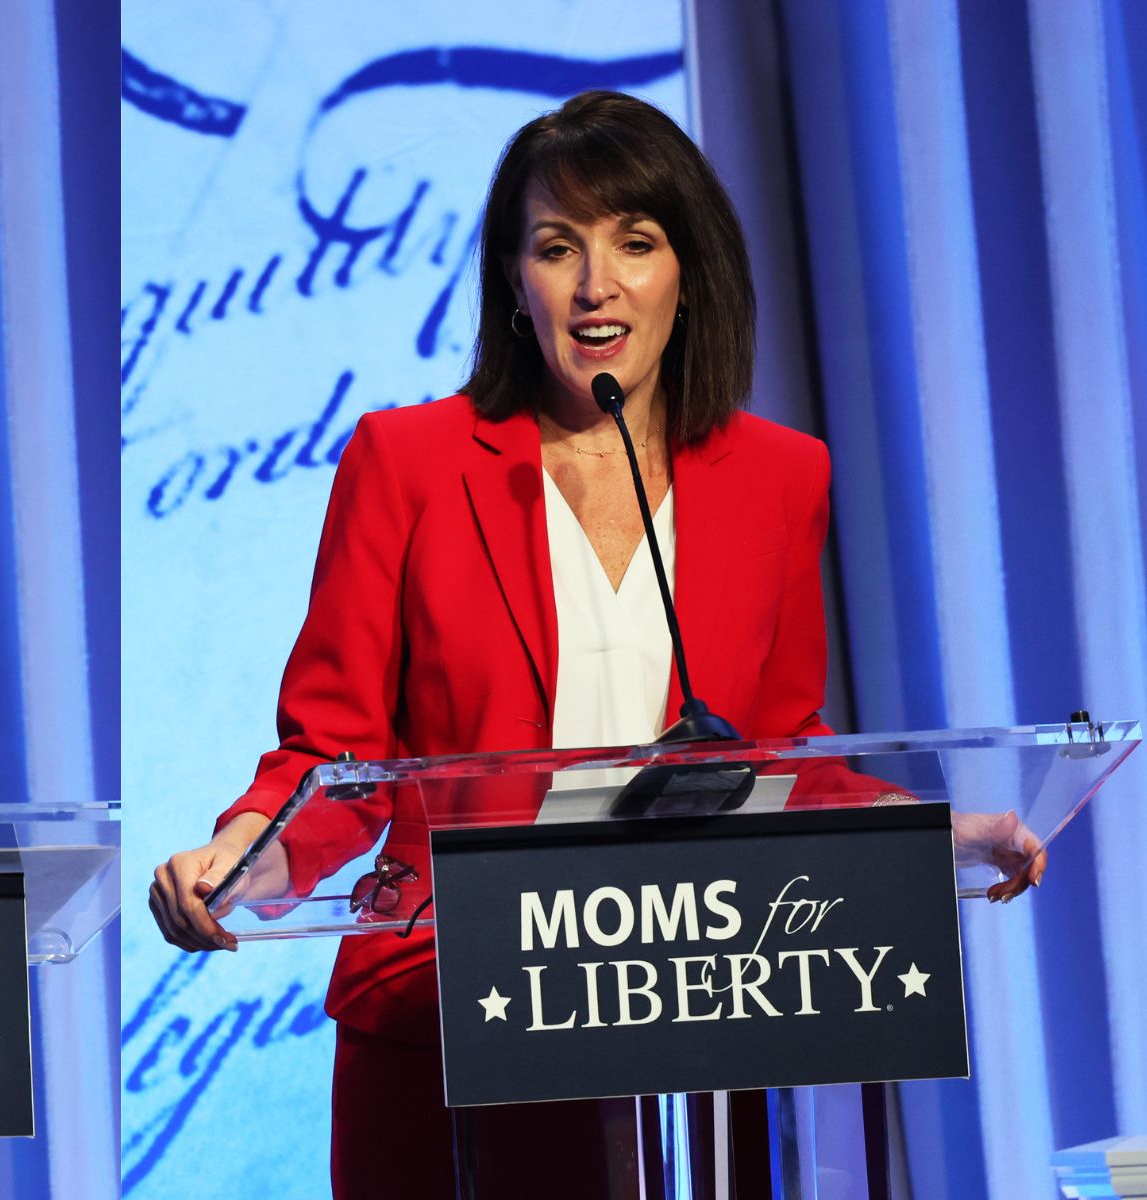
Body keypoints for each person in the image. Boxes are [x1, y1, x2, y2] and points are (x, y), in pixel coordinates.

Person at [146, 91, 1040, 1197]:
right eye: (556, 247)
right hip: (448, 1007)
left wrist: (932, 833)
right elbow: (334, 764)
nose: (595, 284)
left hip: (698, 1003)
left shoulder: (778, 477)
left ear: (687, 270)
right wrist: (242, 854)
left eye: (634, 242)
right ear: (516, 287)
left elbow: (772, 757)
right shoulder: (408, 462)